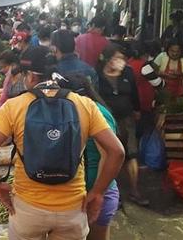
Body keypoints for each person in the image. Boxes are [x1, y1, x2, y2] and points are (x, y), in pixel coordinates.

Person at [0, 46, 125, 240]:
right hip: (72, 209)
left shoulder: (13, 107)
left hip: (27, 209)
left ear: (30, 76)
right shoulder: (84, 104)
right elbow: (117, 152)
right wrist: (98, 192)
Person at [58, 75, 119, 240]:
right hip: (86, 192)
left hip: (97, 194)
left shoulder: (97, 112)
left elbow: (110, 154)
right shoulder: (79, 110)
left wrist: (97, 192)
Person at [97, 43, 147, 206]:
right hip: (106, 121)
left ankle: (134, 190)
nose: (120, 61)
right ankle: (111, 192)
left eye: (121, 58)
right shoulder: (97, 74)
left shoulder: (128, 73)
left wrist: (137, 110)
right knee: (110, 154)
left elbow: (134, 93)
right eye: (116, 58)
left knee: (131, 154)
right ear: (107, 59)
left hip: (127, 119)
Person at [127, 42, 165, 136]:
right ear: (145, 54)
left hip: (130, 102)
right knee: (144, 131)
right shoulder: (144, 66)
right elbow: (158, 83)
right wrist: (164, 81)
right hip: (143, 102)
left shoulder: (128, 63)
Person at [0, 50, 25, 116]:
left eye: (4, 67)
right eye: (0, 67)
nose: (1, 70)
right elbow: (3, 98)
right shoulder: (8, 79)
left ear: (13, 65)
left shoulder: (23, 80)